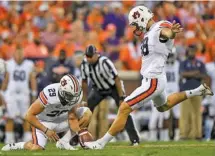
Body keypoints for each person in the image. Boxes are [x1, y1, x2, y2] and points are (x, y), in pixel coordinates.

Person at [84, 5, 214, 149]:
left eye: (134, 23)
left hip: (153, 81)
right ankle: (197, 91)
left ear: (141, 18)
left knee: (124, 108)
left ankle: (100, 143)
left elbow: (164, 33)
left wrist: (171, 32)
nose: (134, 27)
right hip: (156, 79)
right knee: (164, 106)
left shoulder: (159, 27)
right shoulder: (149, 32)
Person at [1, 74, 92, 151]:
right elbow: (29, 115)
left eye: (74, 95)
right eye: (70, 95)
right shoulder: (49, 93)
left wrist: (80, 133)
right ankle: (18, 145)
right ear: (62, 92)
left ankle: (64, 142)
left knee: (87, 113)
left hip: (63, 119)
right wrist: (46, 130)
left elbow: (72, 118)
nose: (73, 98)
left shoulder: (76, 95)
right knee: (36, 148)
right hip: (44, 122)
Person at [81, 45, 139, 145]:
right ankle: (80, 137)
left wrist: (121, 97)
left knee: (124, 111)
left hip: (113, 88)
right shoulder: (84, 64)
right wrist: (84, 99)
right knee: (85, 111)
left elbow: (117, 79)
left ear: (96, 54)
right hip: (98, 89)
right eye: (87, 56)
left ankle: (134, 140)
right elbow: (84, 82)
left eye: (90, 56)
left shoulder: (104, 62)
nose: (89, 58)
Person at [1, 46, 37, 143]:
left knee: (26, 117)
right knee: (10, 116)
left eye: (21, 53)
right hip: (11, 94)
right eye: (17, 53)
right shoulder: (9, 64)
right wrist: (2, 92)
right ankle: (9, 139)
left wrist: (33, 94)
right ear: (13, 54)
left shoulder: (29, 64)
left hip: (24, 94)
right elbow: (6, 80)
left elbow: (32, 80)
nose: (19, 56)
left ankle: (27, 138)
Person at [179, 45, 209, 140]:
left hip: (197, 91)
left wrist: (191, 74)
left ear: (195, 52)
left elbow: (204, 75)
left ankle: (197, 135)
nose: (191, 53)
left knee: (197, 113)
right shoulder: (183, 63)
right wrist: (195, 73)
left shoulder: (200, 63)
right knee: (185, 114)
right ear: (188, 52)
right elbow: (183, 74)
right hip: (185, 91)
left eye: (193, 51)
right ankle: (184, 135)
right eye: (190, 51)